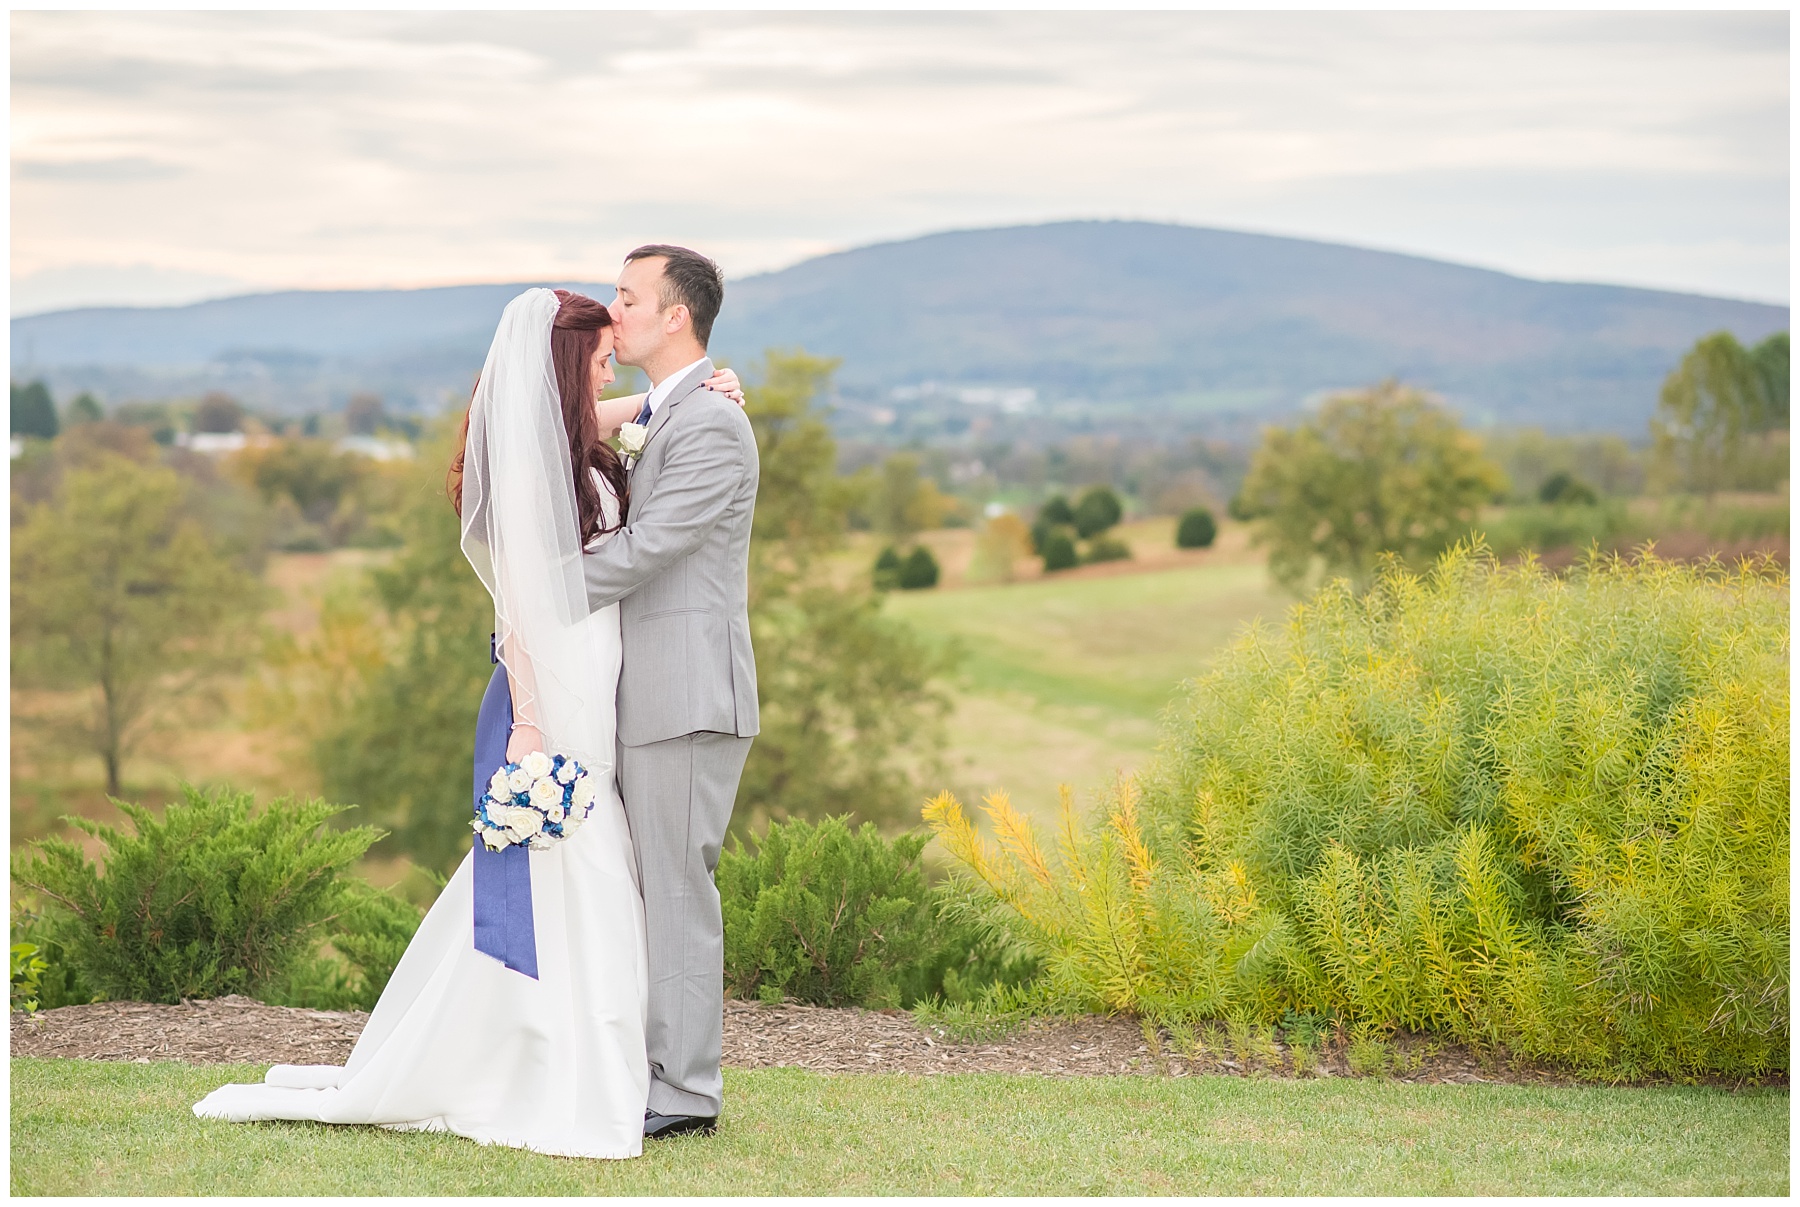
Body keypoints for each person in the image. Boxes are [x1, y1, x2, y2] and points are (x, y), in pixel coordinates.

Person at [191, 287, 745, 1160]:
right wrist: (528, 720)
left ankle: (584, 1051)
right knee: (581, 843)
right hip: (560, 673)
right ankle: (559, 1056)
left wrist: (691, 390)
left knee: (595, 851)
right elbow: (525, 603)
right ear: (569, 367)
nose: (613, 367)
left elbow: (580, 415)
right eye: (600, 358)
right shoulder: (542, 461)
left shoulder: (573, 440)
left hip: (604, 663)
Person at [578, 245, 759, 1140]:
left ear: (674, 314)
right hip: (645, 690)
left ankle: (684, 1094)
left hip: (687, 694)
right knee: (649, 888)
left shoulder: (714, 426)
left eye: (627, 296)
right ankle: (650, 1070)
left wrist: (544, 588)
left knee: (678, 892)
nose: (615, 310)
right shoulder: (672, 406)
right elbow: (568, 424)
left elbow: (652, 546)